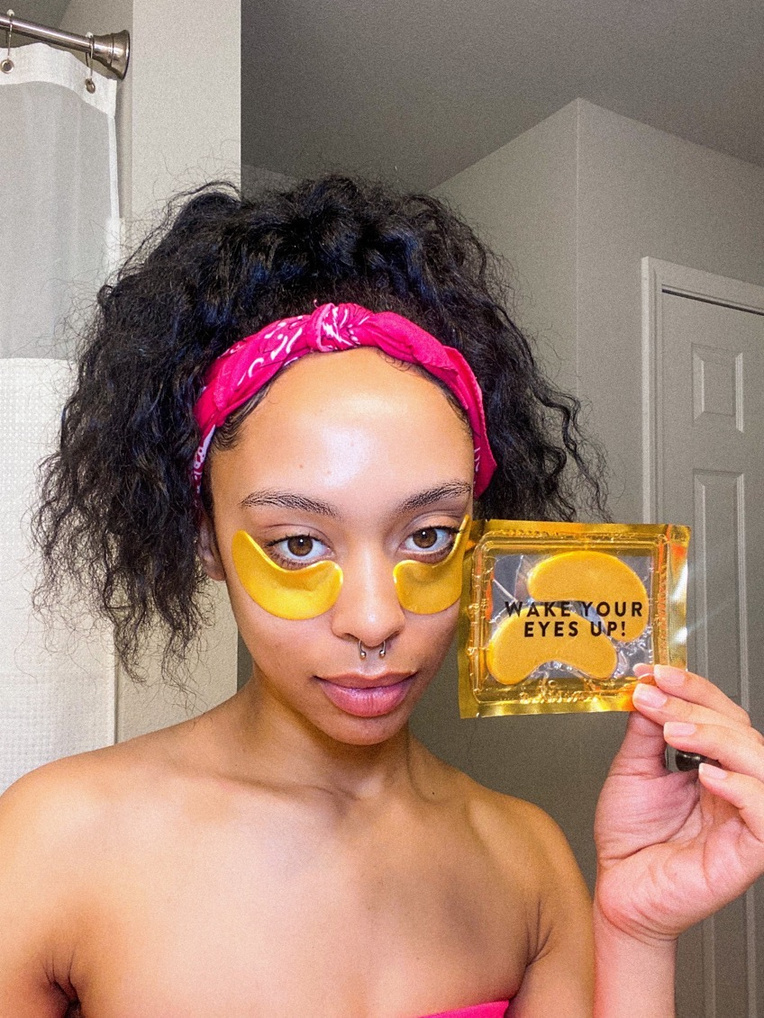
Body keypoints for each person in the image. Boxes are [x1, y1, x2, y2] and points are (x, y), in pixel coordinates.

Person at [0, 175, 762, 1018]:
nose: (375, 620)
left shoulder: (527, 861)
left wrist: (638, 930)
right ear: (205, 538)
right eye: (298, 543)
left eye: (428, 535)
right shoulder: (51, 844)